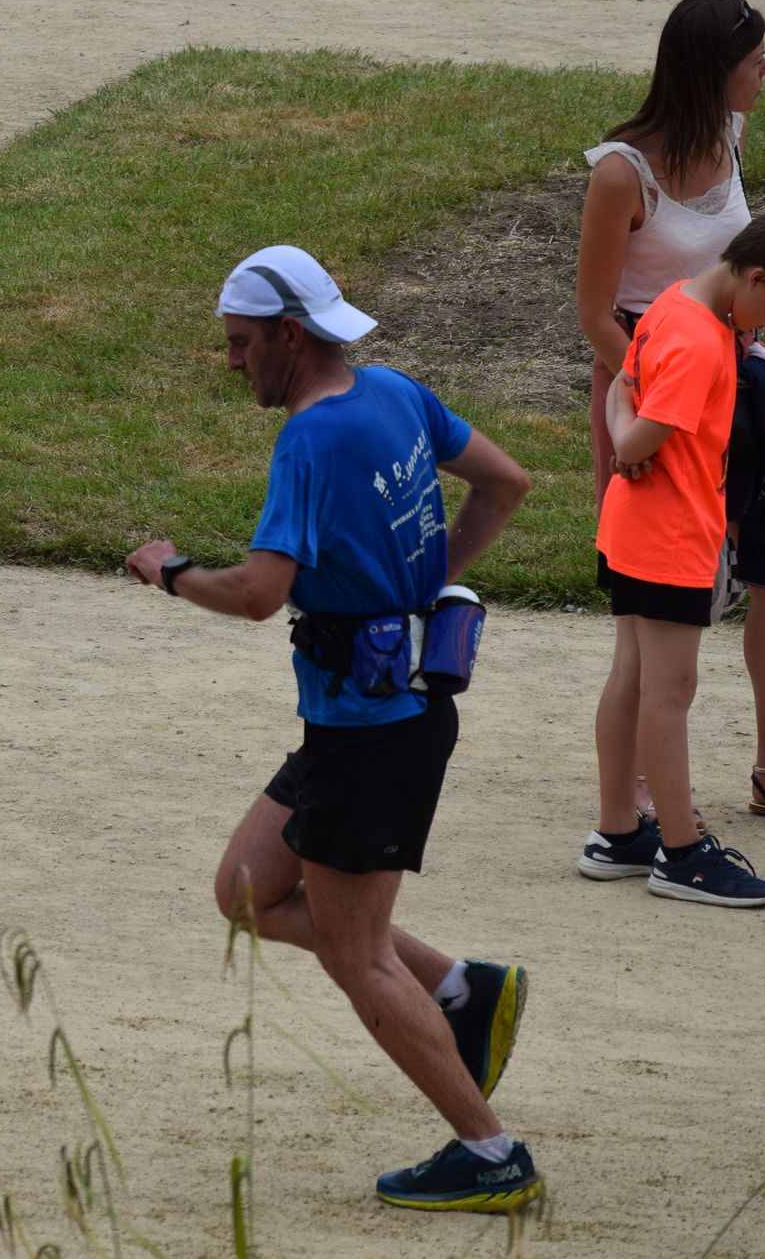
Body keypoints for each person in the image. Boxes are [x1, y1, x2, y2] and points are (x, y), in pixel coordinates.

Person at [125, 246, 537, 1213]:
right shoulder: (392, 391)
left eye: (240, 344)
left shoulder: (308, 440)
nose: (232, 362)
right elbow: (506, 482)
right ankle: (464, 992)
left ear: (290, 334)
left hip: (372, 734)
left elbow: (259, 593)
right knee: (245, 889)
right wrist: (421, 585)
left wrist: (170, 571)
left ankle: (490, 1153)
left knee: (360, 957)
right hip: (368, 718)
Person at [576, 0, 765, 830]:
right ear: (711, 69)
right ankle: (633, 790)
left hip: (738, 382)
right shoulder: (622, 172)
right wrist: (652, 401)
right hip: (651, 386)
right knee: (644, 606)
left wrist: (728, 365)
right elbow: (594, 313)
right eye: (754, 60)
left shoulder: (732, 133)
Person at [580, 209, 765, 902]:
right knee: (670, 693)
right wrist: (622, 423)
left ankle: (616, 832)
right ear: (755, 276)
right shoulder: (701, 340)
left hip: (632, 527)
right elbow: (633, 439)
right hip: (670, 537)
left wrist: (624, 410)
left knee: (632, 676)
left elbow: (631, 390)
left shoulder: (671, 302)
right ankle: (681, 854)